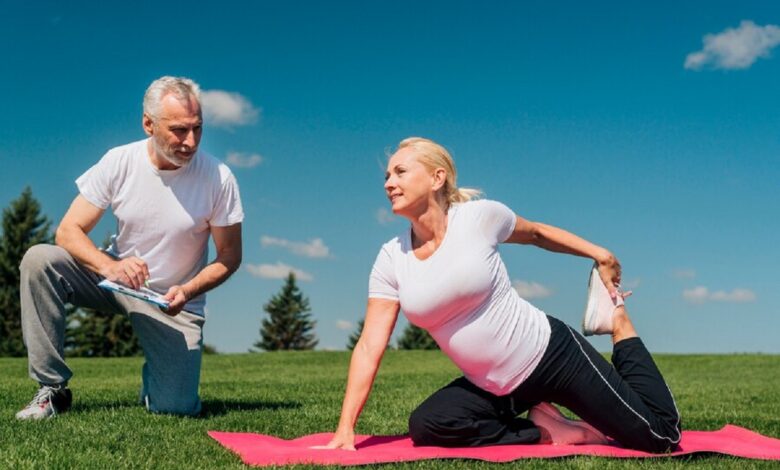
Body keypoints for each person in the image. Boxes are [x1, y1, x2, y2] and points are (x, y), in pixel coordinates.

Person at [322, 137, 681, 452]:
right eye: (386, 176)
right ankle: (547, 430)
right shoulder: (391, 258)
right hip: (497, 389)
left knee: (660, 437)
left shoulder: (478, 218)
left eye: (399, 172)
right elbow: (370, 344)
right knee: (428, 424)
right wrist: (345, 427)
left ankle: (620, 325)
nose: (389, 183)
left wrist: (599, 254)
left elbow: (538, 233)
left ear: (437, 178)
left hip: (553, 357)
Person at [16, 76, 243, 419]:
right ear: (148, 124)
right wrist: (110, 267)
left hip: (173, 301)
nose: (191, 141)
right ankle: (52, 389)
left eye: (198, 128)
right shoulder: (119, 161)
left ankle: (157, 380)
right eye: (179, 130)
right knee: (40, 260)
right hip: (115, 279)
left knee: (175, 409)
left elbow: (230, 256)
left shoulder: (218, 177)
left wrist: (189, 289)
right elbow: (67, 231)